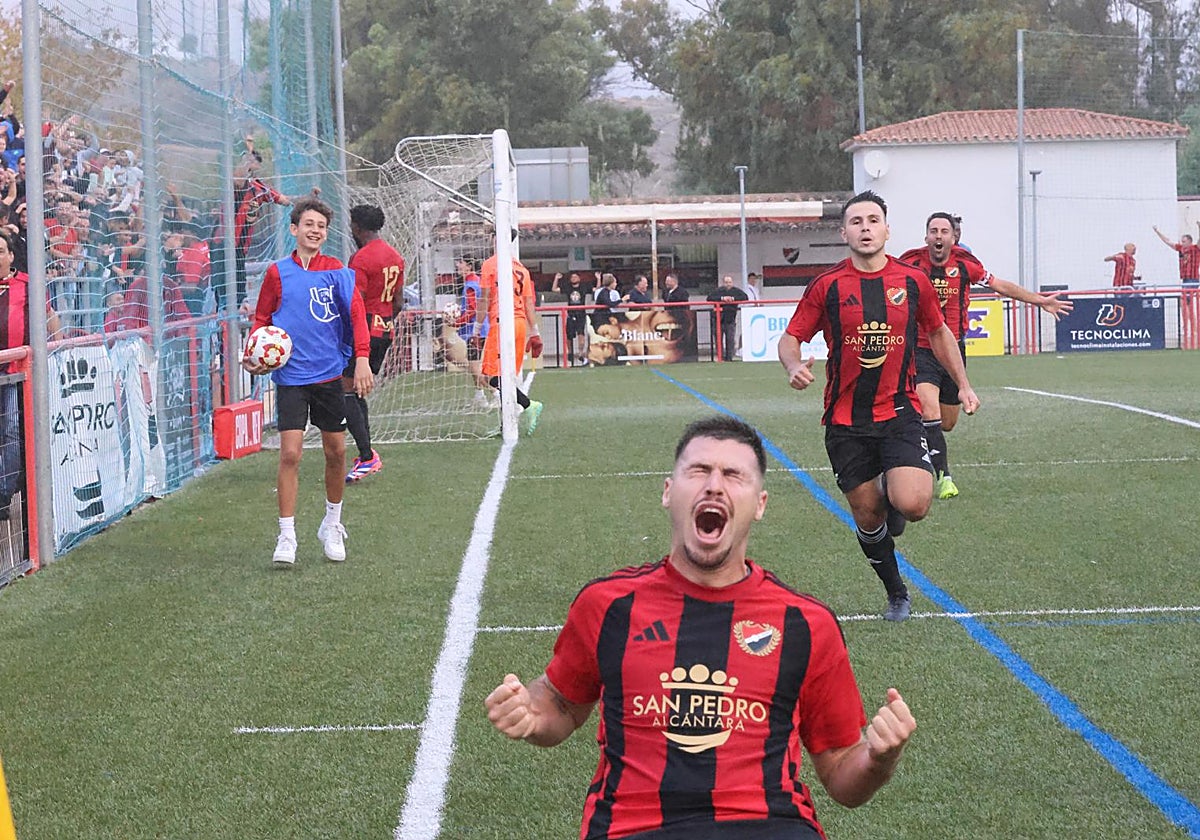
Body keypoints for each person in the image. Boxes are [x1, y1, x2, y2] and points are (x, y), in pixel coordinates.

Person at [485, 415, 917, 840]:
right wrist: (530, 714)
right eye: (699, 471)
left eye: (733, 475)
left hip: (771, 827)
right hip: (634, 827)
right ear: (669, 493)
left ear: (760, 504)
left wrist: (879, 760)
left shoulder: (804, 623)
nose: (715, 484)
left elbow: (842, 772)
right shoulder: (609, 605)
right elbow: (560, 705)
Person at [778, 190, 980, 622]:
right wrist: (793, 365)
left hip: (900, 414)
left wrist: (962, 384)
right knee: (868, 516)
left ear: (887, 229)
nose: (865, 228)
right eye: (856, 221)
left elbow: (940, 333)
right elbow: (791, 337)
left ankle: (896, 495)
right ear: (844, 232)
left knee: (915, 505)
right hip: (846, 422)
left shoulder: (912, 281)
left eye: (873, 220)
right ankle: (896, 593)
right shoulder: (828, 286)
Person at [898, 212, 1073, 499]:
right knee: (928, 409)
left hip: (953, 350)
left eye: (944, 231)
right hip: (920, 349)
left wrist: (1040, 300)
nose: (938, 236)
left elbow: (1000, 285)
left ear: (954, 238)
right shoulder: (911, 262)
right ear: (926, 236)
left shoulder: (966, 265)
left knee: (946, 422)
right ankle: (943, 477)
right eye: (933, 231)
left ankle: (915, 431)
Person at [243, 196, 373, 568]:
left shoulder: (338, 272)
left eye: (321, 227)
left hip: (330, 375)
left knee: (336, 453)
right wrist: (255, 353)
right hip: (291, 377)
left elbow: (356, 316)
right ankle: (287, 535)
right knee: (290, 454)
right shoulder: (277, 273)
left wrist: (361, 358)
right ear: (294, 229)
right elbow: (262, 318)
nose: (315, 231)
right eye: (309, 225)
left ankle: (332, 524)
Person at [0, 230, 61, 520]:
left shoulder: (26, 285)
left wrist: (60, 347)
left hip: (13, 372)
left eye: (0, 250)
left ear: (11, 256)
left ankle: (4, 492)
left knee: (11, 429)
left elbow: (49, 318)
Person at [343, 204, 404, 483]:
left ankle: (367, 457)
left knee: (344, 390)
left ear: (356, 227)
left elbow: (354, 303)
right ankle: (365, 452)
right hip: (385, 330)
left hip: (364, 329)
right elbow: (399, 302)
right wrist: (384, 321)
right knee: (356, 392)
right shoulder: (395, 256)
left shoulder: (361, 259)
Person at [475, 248, 543, 435]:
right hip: (520, 323)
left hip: (502, 323)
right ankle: (507, 425)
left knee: (493, 376)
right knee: (505, 375)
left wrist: (476, 328)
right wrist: (534, 332)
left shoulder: (491, 264)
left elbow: (484, 298)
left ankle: (528, 404)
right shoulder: (521, 268)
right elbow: (529, 303)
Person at [706, 274, 748, 361]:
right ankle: (720, 357)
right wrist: (722, 298)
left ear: (732, 283)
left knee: (730, 340)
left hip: (730, 319)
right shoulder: (718, 291)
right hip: (718, 320)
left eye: (729, 282)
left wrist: (732, 299)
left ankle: (729, 358)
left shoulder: (736, 291)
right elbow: (709, 298)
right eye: (726, 282)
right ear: (723, 283)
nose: (728, 284)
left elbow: (745, 297)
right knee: (718, 340)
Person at [552, 270, 589, 366]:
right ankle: (570, 352)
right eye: (572, 277)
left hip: (581, 314)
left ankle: (581, 353)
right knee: (569, 335)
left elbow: (596, 289)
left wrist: (598, 279)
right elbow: (554, 289)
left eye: (575, 277)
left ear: (579, 278)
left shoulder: (584, 287)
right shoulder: (567, 287)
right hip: (570, 314)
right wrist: (556, 278)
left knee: (581, 333)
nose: (574, 279)